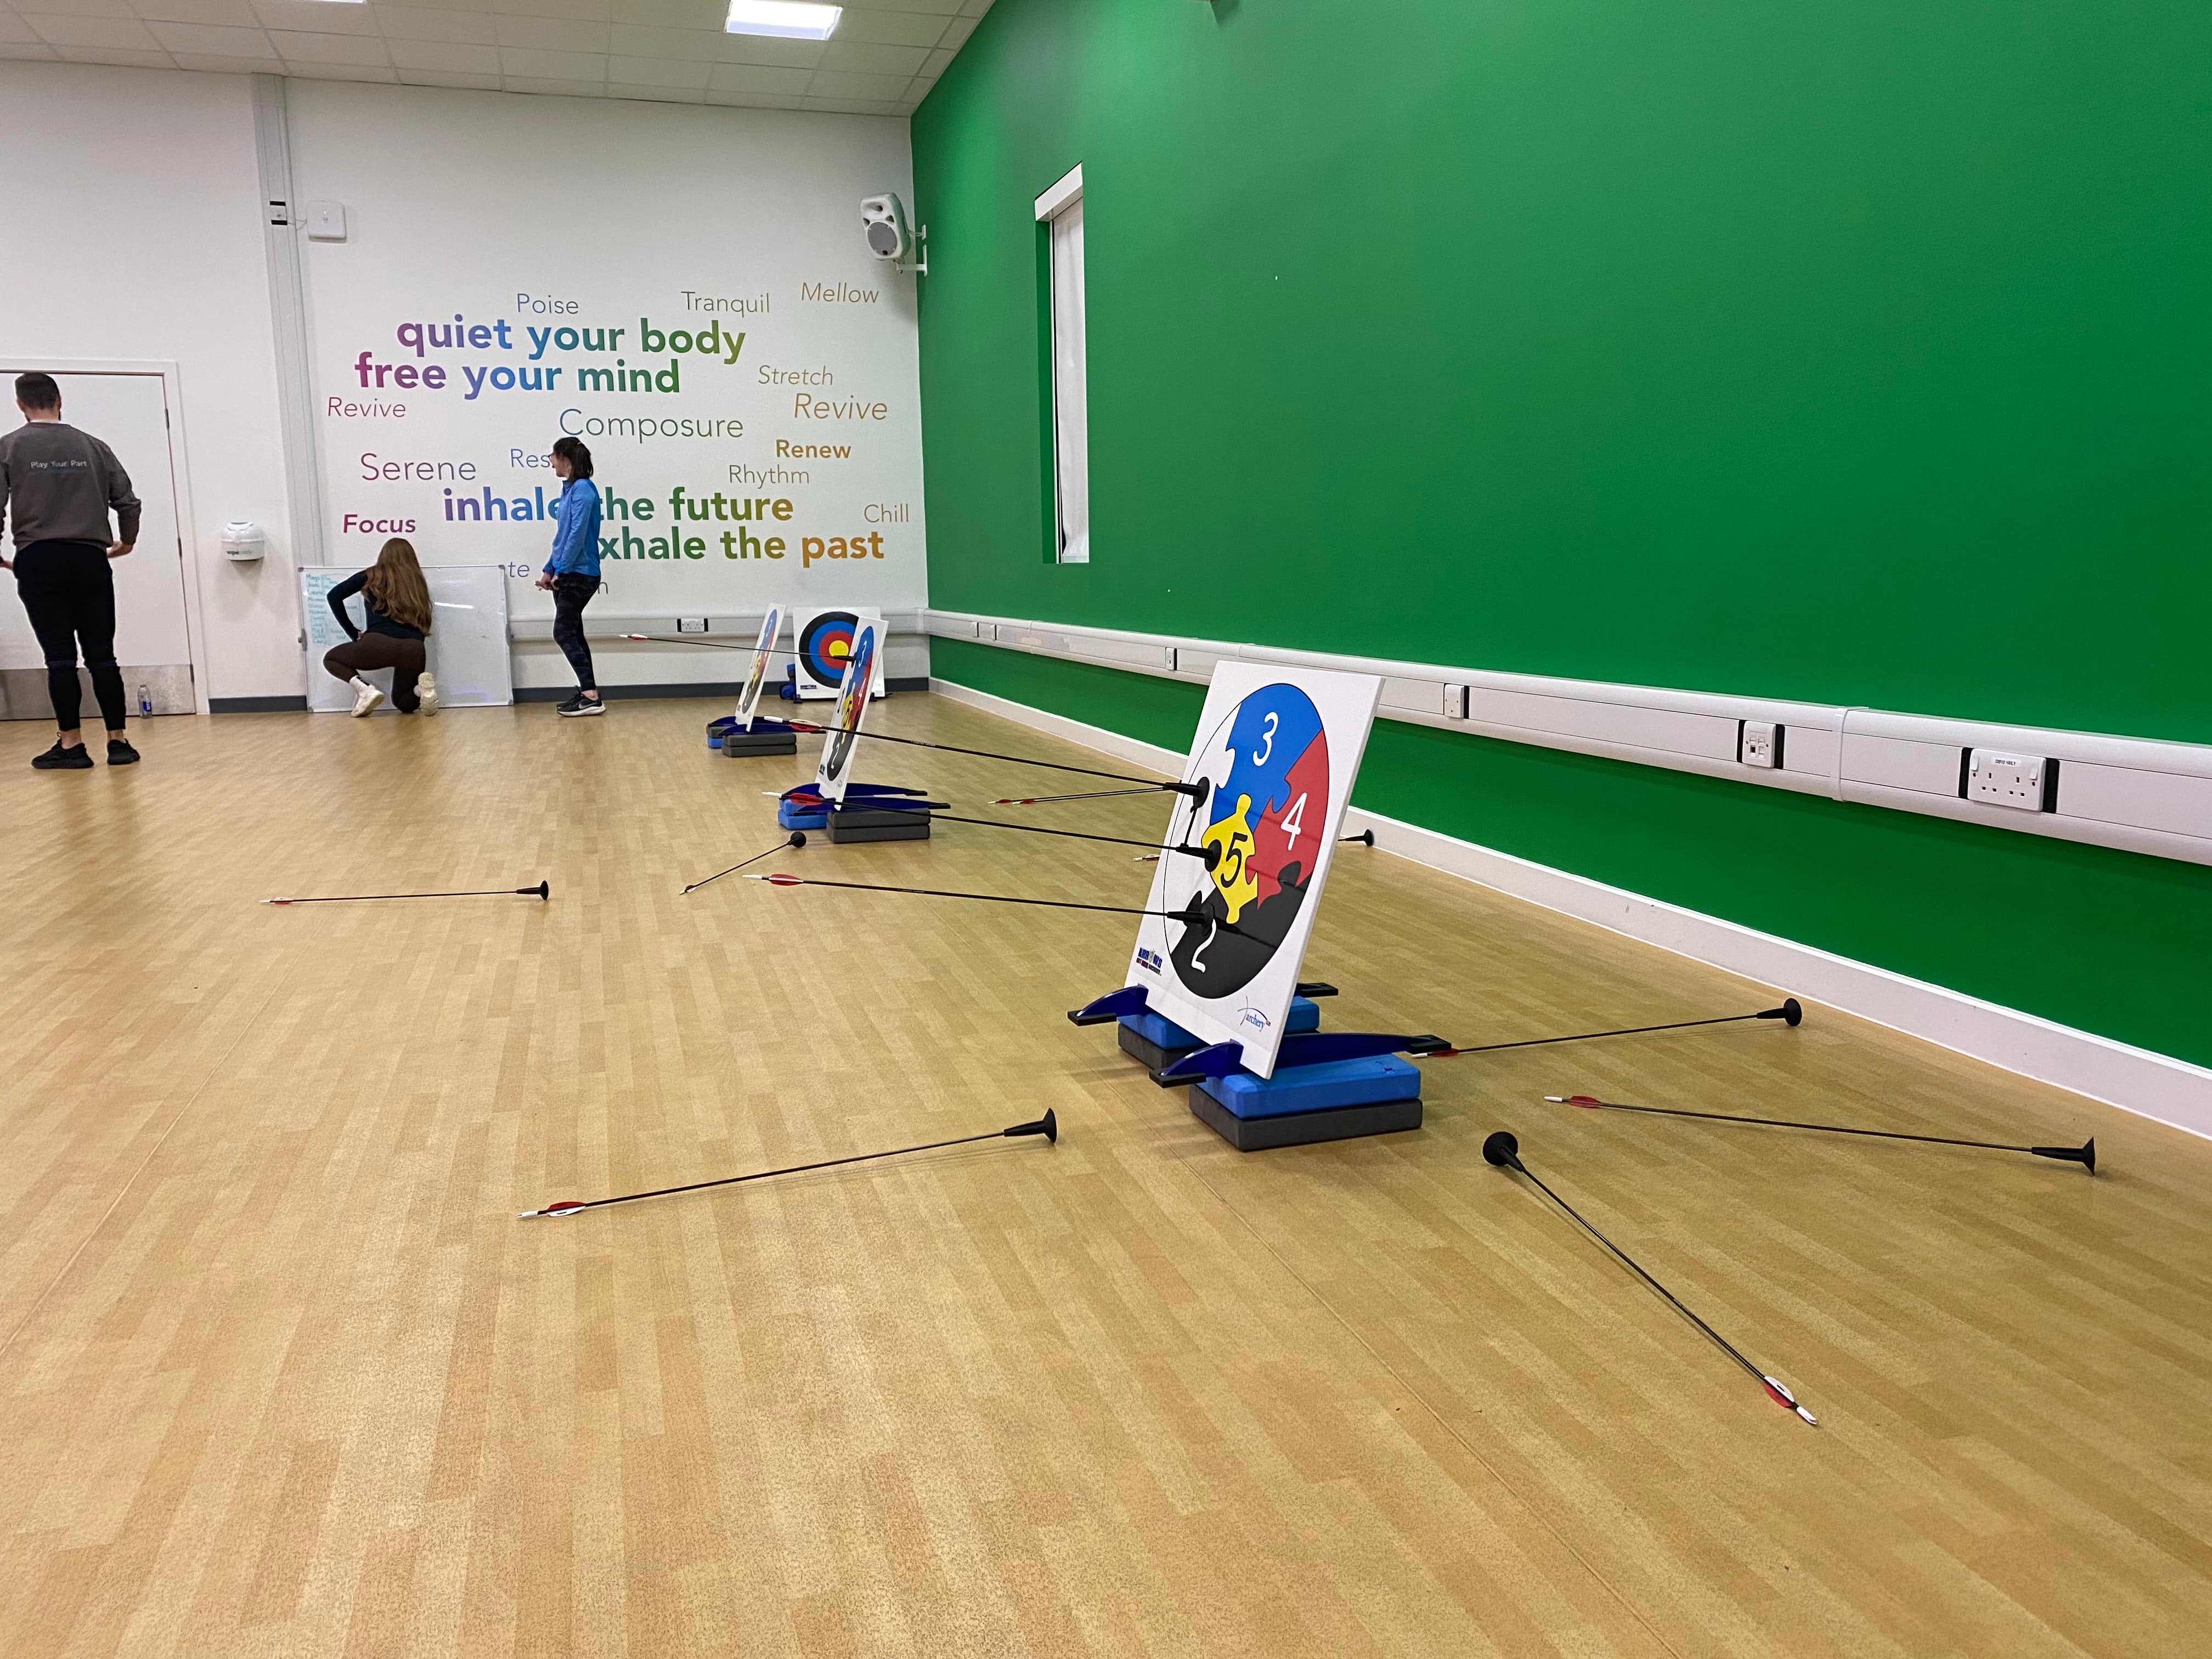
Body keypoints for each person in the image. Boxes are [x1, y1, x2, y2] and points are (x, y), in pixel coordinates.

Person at [0, 372, 142, 769]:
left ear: (20, 404)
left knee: (59, 657)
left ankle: (71, 745)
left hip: (39, 558)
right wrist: (126, 541)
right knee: (103, 655)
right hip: (89, 557)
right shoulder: (94, 447)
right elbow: (128, 503)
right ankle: (119, 742)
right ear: (59, 399)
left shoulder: (7, 447)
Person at [323, 537, 436, 716]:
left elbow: (334, 596)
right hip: (414, 648)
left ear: (384, 555)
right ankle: (422, 691)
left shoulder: (373, 575)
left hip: (379, 643)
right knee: (404, 703)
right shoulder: (417, 582)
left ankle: (365, 690)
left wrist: (353, 633)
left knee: (331, 659)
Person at [538, 435, 604, 715]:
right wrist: (549, 568)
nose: (551, 462)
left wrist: (561, 570)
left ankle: (590, 696)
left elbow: (577, 536)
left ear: (564, 459)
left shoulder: (584, 491)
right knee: (574, 632)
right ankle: (589, 694)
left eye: (553, 456)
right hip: (568, 571)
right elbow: (563, 536)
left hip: (581, 574)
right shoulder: (569, 491)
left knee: (563, 631)